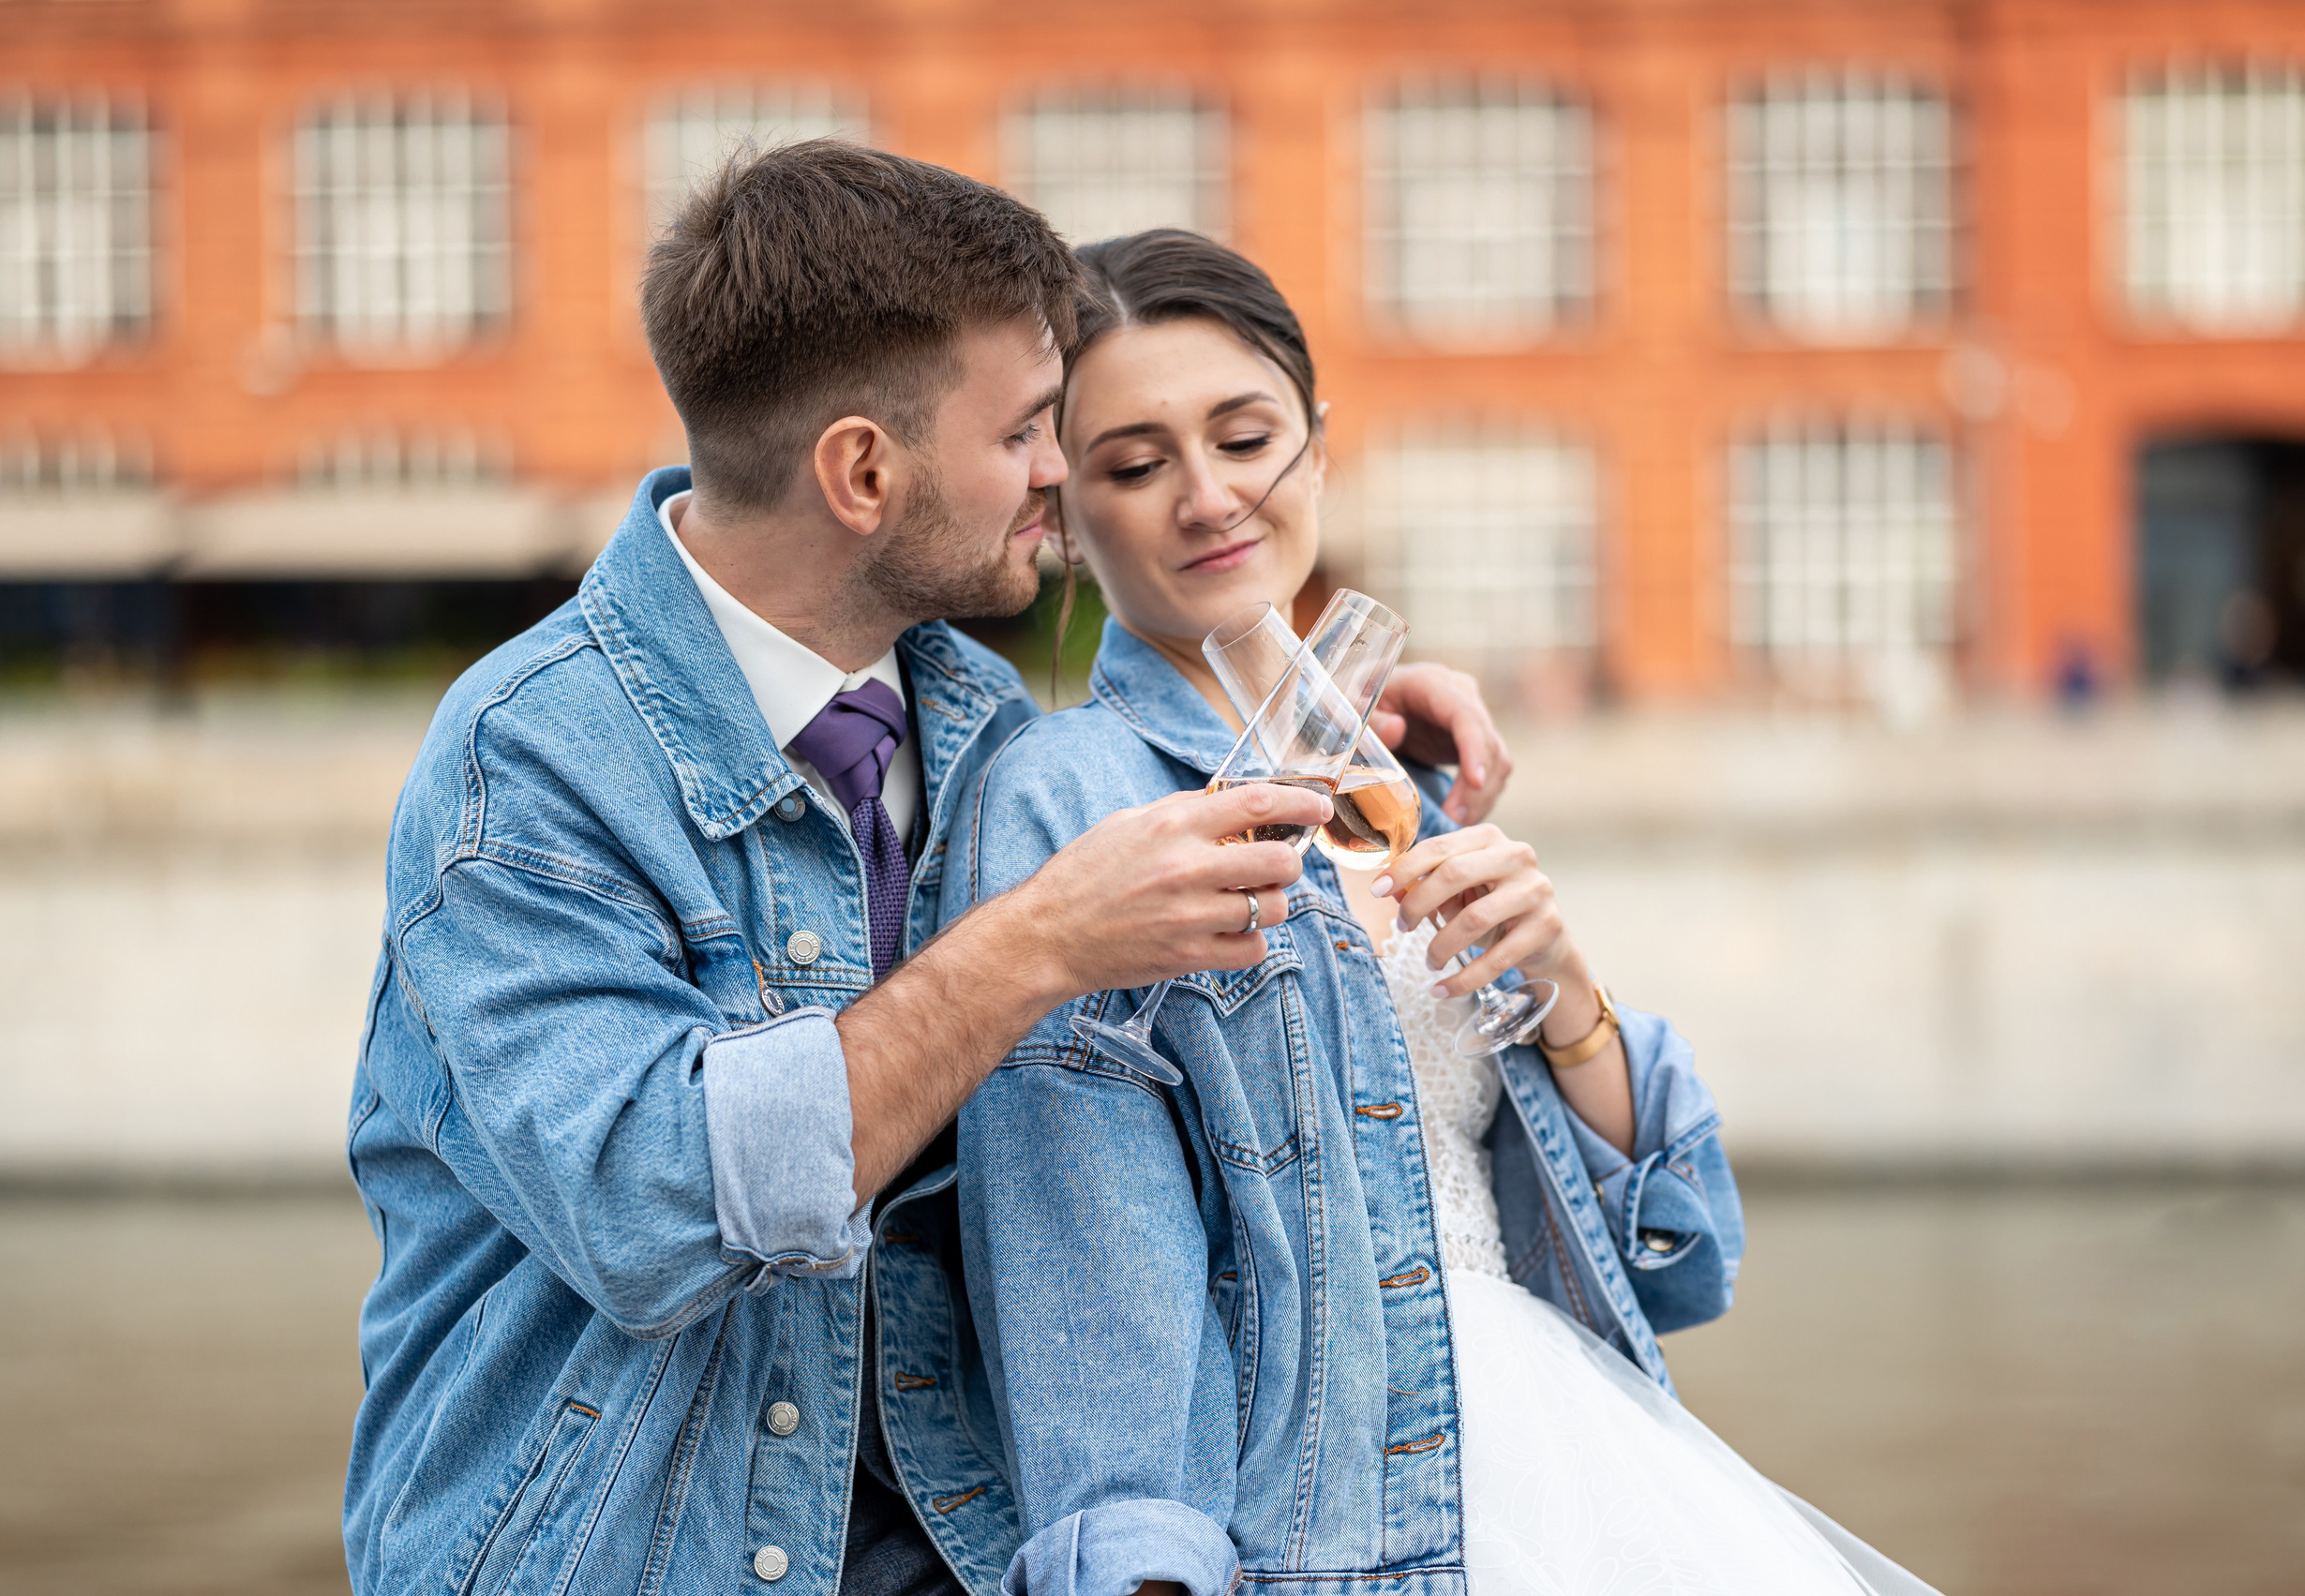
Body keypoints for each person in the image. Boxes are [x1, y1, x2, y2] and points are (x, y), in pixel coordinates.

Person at [341, 148, 1515, 1596]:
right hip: (613, 1554)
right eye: (1030, 433)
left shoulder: (981, 724)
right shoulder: (524, 766)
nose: (1057, 477)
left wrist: (1345, 720)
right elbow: (653, 1209)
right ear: (862, 471)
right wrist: (1037, 944)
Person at [948, 231, 1938, 1596]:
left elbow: (1679, 1266)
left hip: (1570, 1461)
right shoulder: (1067, 800)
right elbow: (1087, 1270)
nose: (1208, 498)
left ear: (1321, 446)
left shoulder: (1401, 775)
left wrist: (1568, 997)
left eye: (1247, 438)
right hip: (1322, 1524)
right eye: (1134, 464)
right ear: (1062, 506)